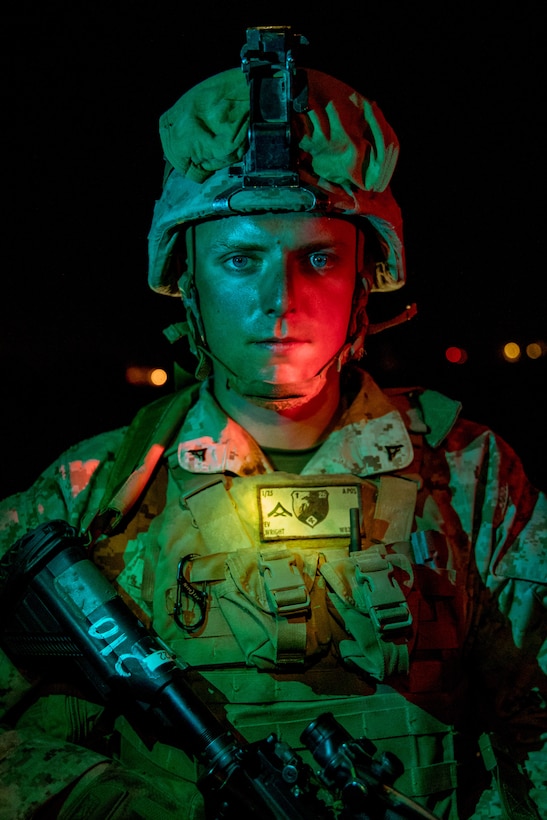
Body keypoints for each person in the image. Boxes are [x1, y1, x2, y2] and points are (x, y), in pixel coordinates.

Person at [0, 24, 545, 820]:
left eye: (318, 257)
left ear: (366, 280)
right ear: (186, 279)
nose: (278, 299)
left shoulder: (469, 477)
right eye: (239, 258)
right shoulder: (91, 494)